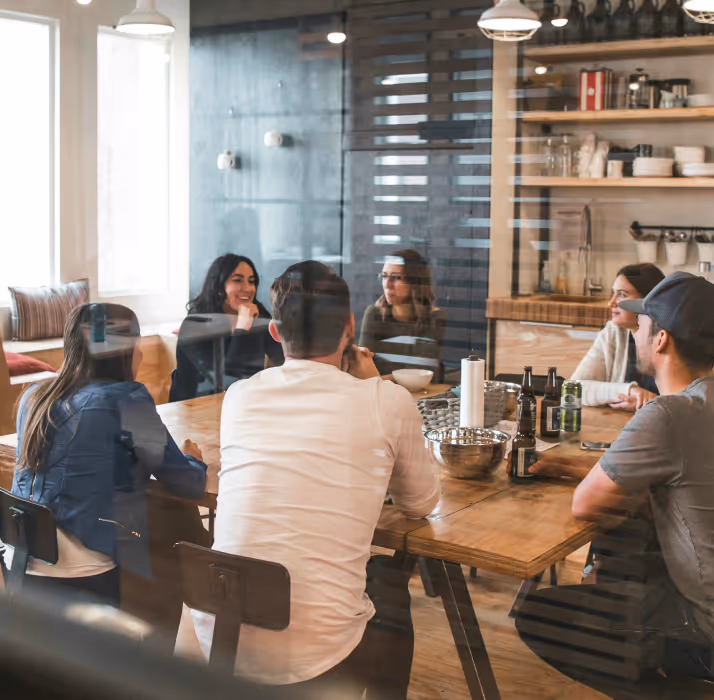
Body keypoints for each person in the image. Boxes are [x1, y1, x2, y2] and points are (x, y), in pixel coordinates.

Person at [517, 272, 714, 697]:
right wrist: (569, 468)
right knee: (627, 570)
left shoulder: (668, 414)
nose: (635, 331)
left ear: (660, 339)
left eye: (642, 324)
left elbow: (585, 506)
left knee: (541, 616)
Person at [190, 261, 439, 695]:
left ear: (273, 331)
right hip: (316, 657)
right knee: (390, 588)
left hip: (220, 637)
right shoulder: (387, 400)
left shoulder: (240, 397)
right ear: (349, 327)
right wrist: (375, 383)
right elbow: (419, 503)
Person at [6, 303, 207, 607]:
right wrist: (194, 458)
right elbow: (187, 482)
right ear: (126, 350)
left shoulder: (34, 397)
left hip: (18, 562)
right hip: (80, 572)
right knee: (176, 530)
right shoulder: (126, 399)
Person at [169, 254, 284, 402]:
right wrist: (243, 328)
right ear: (219, 288)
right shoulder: (195, 324)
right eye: (237, 280)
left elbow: (283, 359)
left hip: (242, 404)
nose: (248, 289)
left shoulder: (258, 314)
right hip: (193, 409)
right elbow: (227, 381)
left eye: (252, 281)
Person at [570, 263, 665, 410]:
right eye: (613, 293)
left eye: (622, 295)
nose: (611, 303)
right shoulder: (613, 333)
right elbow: (574, 388)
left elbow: (689, 403)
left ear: (648, 300)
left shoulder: (673, 338)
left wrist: (649, 403)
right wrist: (629, 391)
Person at [359, 249, 447, 379]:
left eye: (396, 278)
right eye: (384, 276)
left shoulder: (436, 318)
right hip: (382, 393)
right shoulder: (375, 314)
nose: (387, 285)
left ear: (415, 283)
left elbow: (428, 374)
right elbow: (362, 368)